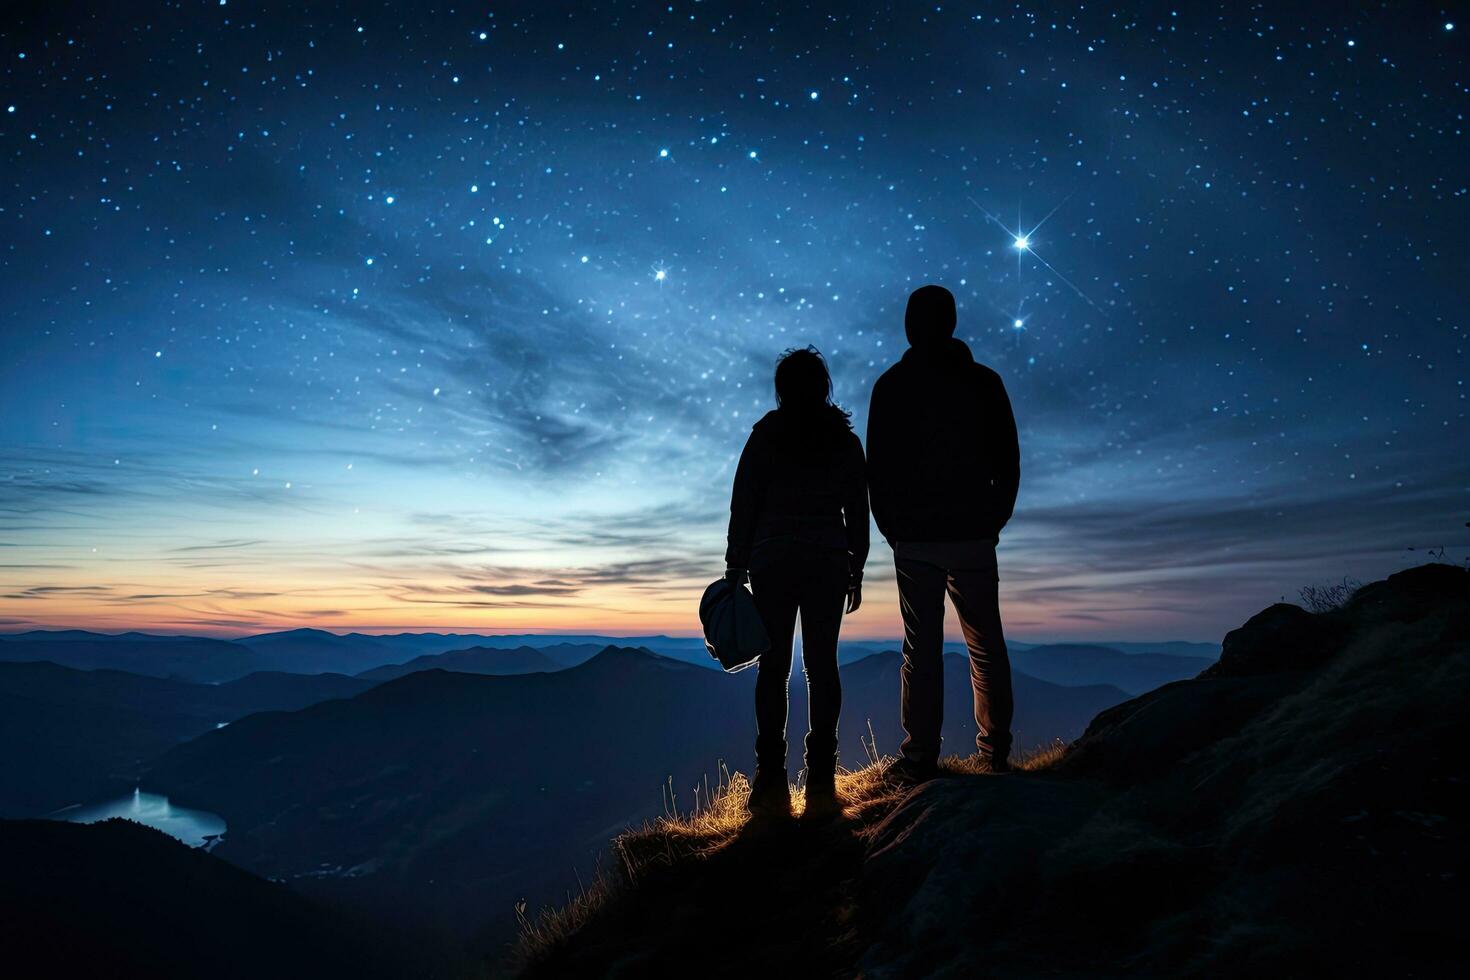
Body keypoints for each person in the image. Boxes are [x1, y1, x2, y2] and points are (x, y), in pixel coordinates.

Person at [866, 284, 1020, 783]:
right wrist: (993, 519)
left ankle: (918, 760)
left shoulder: (892, 386)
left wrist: (892, 528)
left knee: (921, 648)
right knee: (985, 643)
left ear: (912, 325)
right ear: (952, 323)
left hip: (917, 539)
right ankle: (994, 754)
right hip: (972, 534)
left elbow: (878, 468)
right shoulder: (984, 382)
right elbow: (1008, 461)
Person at [726, 346, 869, 818]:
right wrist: (857, 564)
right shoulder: (842, 439)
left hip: (773, 560)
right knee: (822, 666)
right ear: (823, 386)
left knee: (774, 669)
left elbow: (743, 501)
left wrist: (736, 563)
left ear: (782, 388)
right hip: (828, 560)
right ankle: (822, 780)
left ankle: (771, 782)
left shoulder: (767, 434)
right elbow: (857, 507)